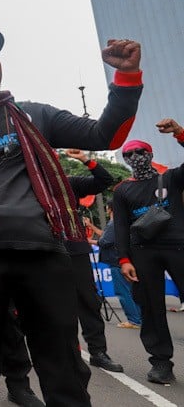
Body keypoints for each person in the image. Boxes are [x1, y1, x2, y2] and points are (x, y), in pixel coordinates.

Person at [0, 29, 142, 406]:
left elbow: (106, 135)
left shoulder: (34, 114)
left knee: (62, 363)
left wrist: (125, 80)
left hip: (43, 252)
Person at [114, 118, 184, 385]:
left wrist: (179, 133)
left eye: (140, 152)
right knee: (151, 308)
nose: (135, 157)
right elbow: (121, 226)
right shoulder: (122, 191)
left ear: (150, 154)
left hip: (178, 245)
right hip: (142, 252)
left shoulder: (172, 178)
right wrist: (123, 259)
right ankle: (161, 362)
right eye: (129, 154)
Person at [62, 149, 123, 372]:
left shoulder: (71, 182)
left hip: (76, 248)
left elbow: (104, 180)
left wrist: (86, 160)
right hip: (45, 252)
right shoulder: (28, 185)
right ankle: (67, 353)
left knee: (88, 302)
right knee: (55, 306)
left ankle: (98, 352)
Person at [97, 201, 141, 329]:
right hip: (124, 260)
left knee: (123, 292)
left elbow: (105, 241)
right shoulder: (125, 221)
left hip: (117, 261)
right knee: (131, 291)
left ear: (109, 209)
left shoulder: (114, 223)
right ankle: (138, 318)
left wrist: (91, 241)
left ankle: (134, 320)